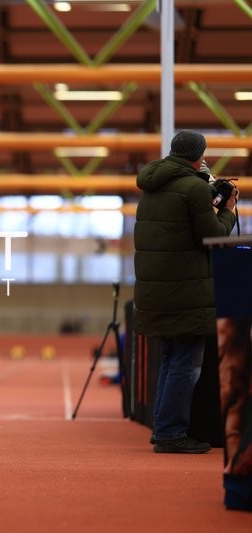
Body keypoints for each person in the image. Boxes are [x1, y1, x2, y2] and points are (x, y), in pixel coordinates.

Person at [133, 130, 238, 454]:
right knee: (186, 364)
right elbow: (212, 236)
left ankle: (163, 427)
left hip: (157, 290)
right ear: (199, 156)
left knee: (170, 359)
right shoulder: (193, 187)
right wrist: (228, 210)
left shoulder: (151, 187)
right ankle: (170, 434)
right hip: (186, 289)